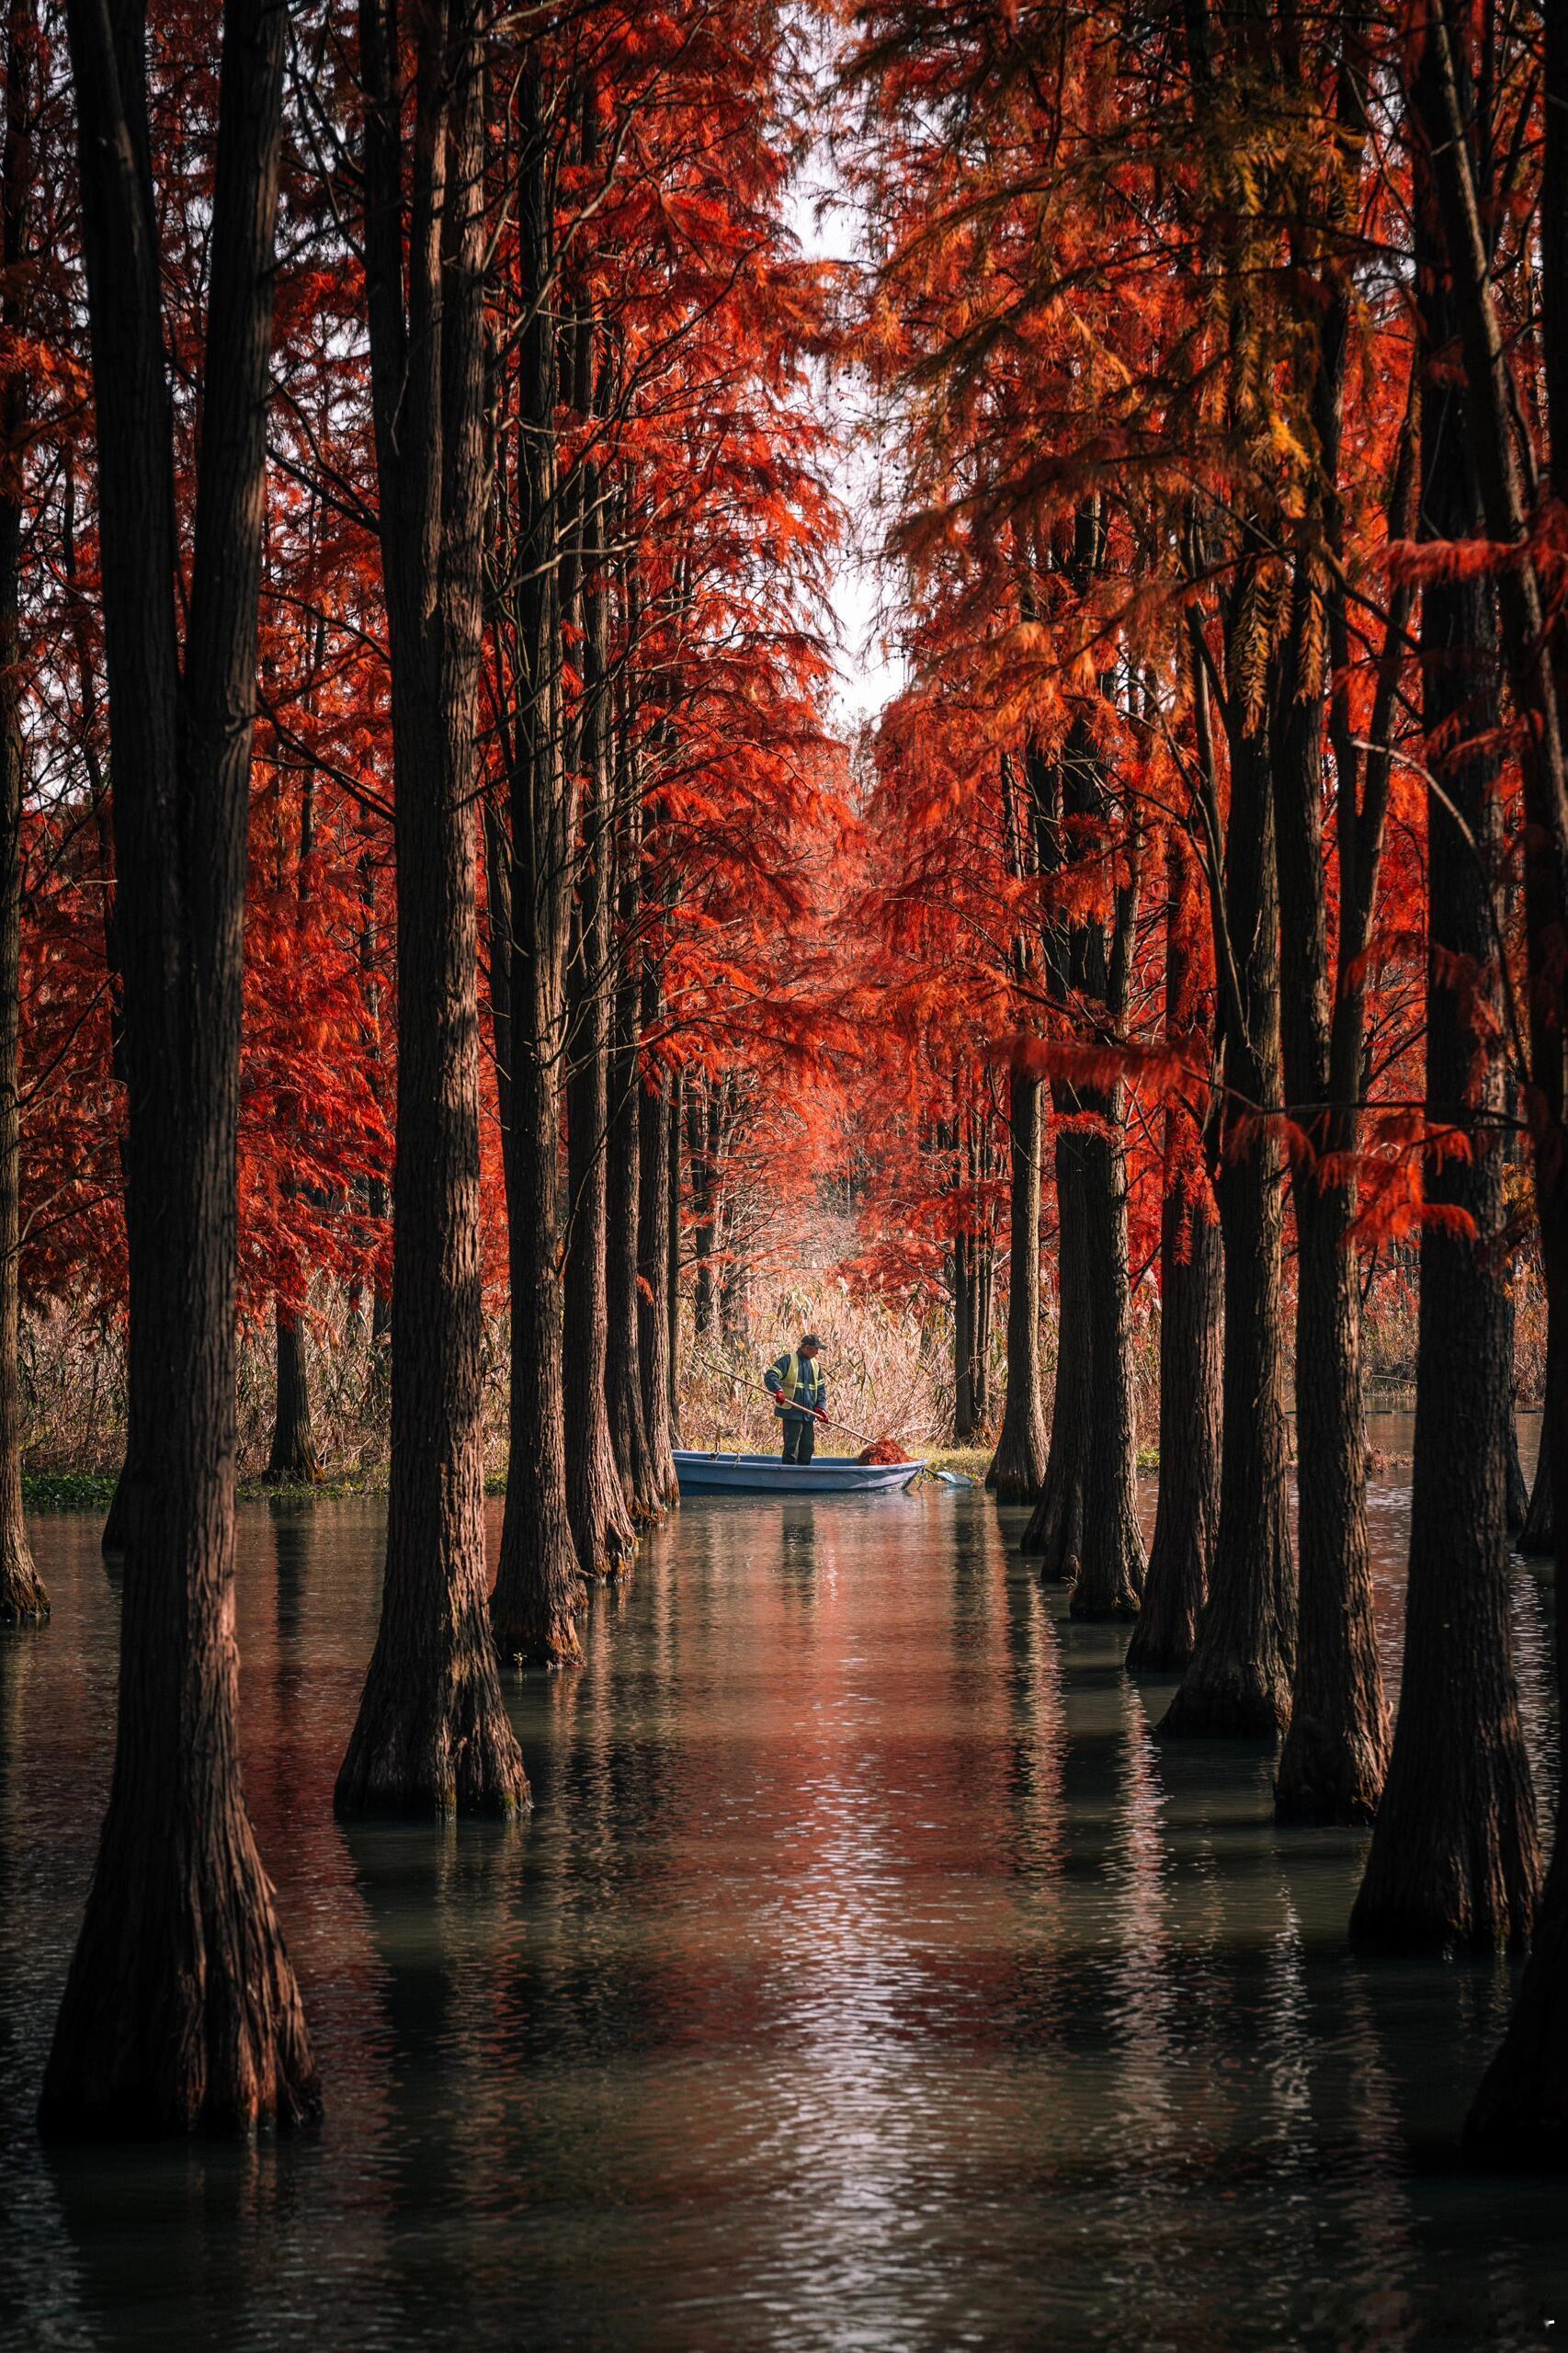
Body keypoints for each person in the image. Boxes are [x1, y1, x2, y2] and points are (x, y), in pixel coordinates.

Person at [764, 1334, 828, 1463]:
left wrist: (821, 1408)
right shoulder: (789, 1360)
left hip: (808, 1414)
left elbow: (821, 1390)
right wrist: (778, 1390)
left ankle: (803, 1478)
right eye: (816, 1349)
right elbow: (771, 1375)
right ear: (808, 1348)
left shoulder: (815, 1366)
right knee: (792, 1449)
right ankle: (789, 1478)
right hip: (792, 1412)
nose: (817, 1352)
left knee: (808, 1448)